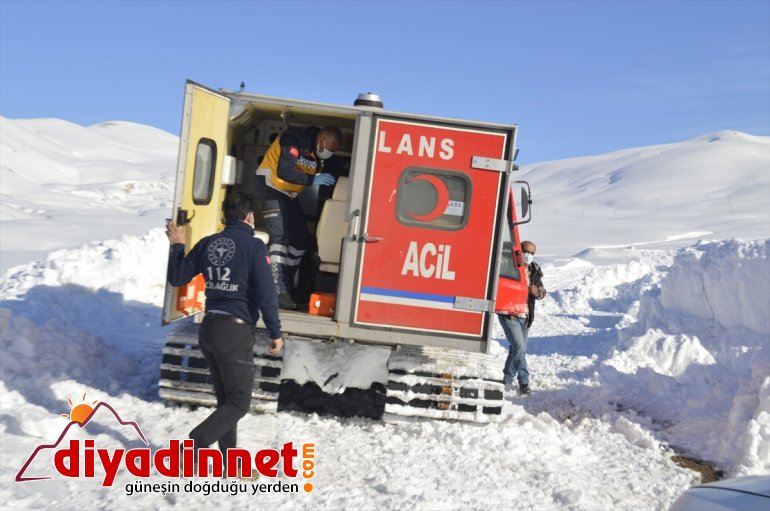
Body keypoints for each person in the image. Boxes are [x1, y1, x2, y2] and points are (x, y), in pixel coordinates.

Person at [166, 191, 283, 473]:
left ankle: (231, 463)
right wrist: (276, 332)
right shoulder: (255, 248)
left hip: (210, 329)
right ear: (250, 218)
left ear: (223, 218)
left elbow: (177, 277)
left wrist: (177, 246)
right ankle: (194, 445)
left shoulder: (208, 243)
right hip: (235, 332)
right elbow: (267, 295)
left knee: (228, 402)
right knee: (239, 403)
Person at [254, 125, 343, 310]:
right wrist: (313, 180)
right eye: (330, 149)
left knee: (301, 242)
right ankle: (276, 290)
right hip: (270, 189)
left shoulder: (315, 155)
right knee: (280, 237)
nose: (330, 154)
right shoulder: (293, 139)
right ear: (322, 140)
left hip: (288, 196)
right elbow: (284, 171)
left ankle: (284, 284)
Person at [498, 240, 546, 395]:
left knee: (517, 349)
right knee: (519, 347)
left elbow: (542, 291)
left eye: (532, 253)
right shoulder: (508, 265)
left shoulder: (535, 269)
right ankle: (524, 382)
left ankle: (506, 379)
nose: (528, 255)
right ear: (519, 249)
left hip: (525, 316)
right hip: (509, 314)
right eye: (526, 250)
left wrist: (536, 292)